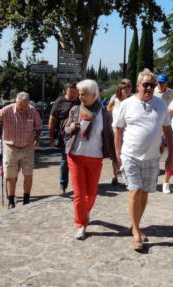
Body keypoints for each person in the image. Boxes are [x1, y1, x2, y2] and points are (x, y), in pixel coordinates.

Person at [114, 69, 173, 251]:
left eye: (152, 85)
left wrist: (171, 155)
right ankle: (136, 233)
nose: (149, 88)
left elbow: (168, 130)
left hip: (152, 158)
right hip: (130, 155)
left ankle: (135, 226)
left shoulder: (160, 104)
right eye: (146, 84)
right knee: (135, 191)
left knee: (144, 193)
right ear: (138, 85)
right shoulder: (127, 104)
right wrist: (117, 156)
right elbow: (118, 130)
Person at [64, 79, 118, 240]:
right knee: (79, 194)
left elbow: (109, 135)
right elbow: (66, 129)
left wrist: (115, 157)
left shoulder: (104, 114)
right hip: (75, 157)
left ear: (94, 95)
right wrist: (71, 128)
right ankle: (80, 224)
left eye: (84, 94)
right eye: (79, 94)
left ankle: (84, 212)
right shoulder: (75, 110)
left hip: (95, 158)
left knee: (92, 193)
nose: (80, 97)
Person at [0, 92, 42, 209]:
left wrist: (37, 138)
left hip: (28, 147)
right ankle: (11, 201)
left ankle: (26, 199)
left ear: (28, 104)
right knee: (10, 175)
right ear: (15, 101)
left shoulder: (33, 111)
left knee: (28, 174)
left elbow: (38, 127)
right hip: (10, 147)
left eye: (24, 105)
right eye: (19, 104)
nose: (21, 108)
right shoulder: (7, 110)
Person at [49, 82, 80, 194]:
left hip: (79, 136)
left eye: (75, 92)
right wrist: (51, 137)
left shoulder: (80, 101)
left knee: (78, 162)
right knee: (65, 162)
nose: (73, 94)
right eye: (70, 91)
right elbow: (52, 119)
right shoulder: (60, 101)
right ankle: (63, 187)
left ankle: (78, 186)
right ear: (66, 91)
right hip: (64, 137)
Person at [107, 78, 133, 185]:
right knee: (115, 155)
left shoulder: (132, 101)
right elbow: (108, 111)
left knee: (126, 155)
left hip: (128, 132)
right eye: (124, 89)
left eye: (128, 89)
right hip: (115, 132)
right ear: (120, 90)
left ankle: (126, 177)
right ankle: (115, 176)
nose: (126, 91)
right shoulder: (115, 100)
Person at [154, 73, 173, 154]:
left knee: (161, 142)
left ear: (167, 82)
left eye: (163, 82)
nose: (161, 84)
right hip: (155, 120)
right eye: (159, 82)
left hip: (167, 120)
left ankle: (158, 158)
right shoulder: (153, 91)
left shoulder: (170, 92)